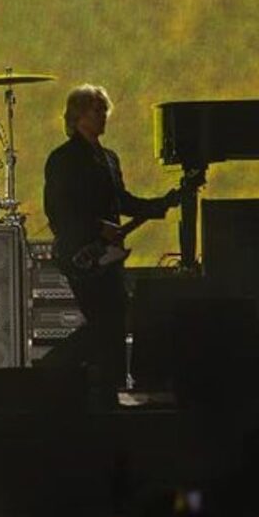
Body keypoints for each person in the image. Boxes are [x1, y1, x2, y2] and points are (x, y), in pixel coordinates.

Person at [40, 84, 180, 402]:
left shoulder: (109, 158)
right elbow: (58, 209)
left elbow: (122, 200)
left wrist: (159, 204)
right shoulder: (62, 159)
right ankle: (55, 367)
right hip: (81, 255)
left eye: (104, 110)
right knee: (106, 322)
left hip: (109, 256)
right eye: (96, 110)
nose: (103, 116)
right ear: (78, 116)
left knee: (114, 321)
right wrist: (96, 227)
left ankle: (107, 388)